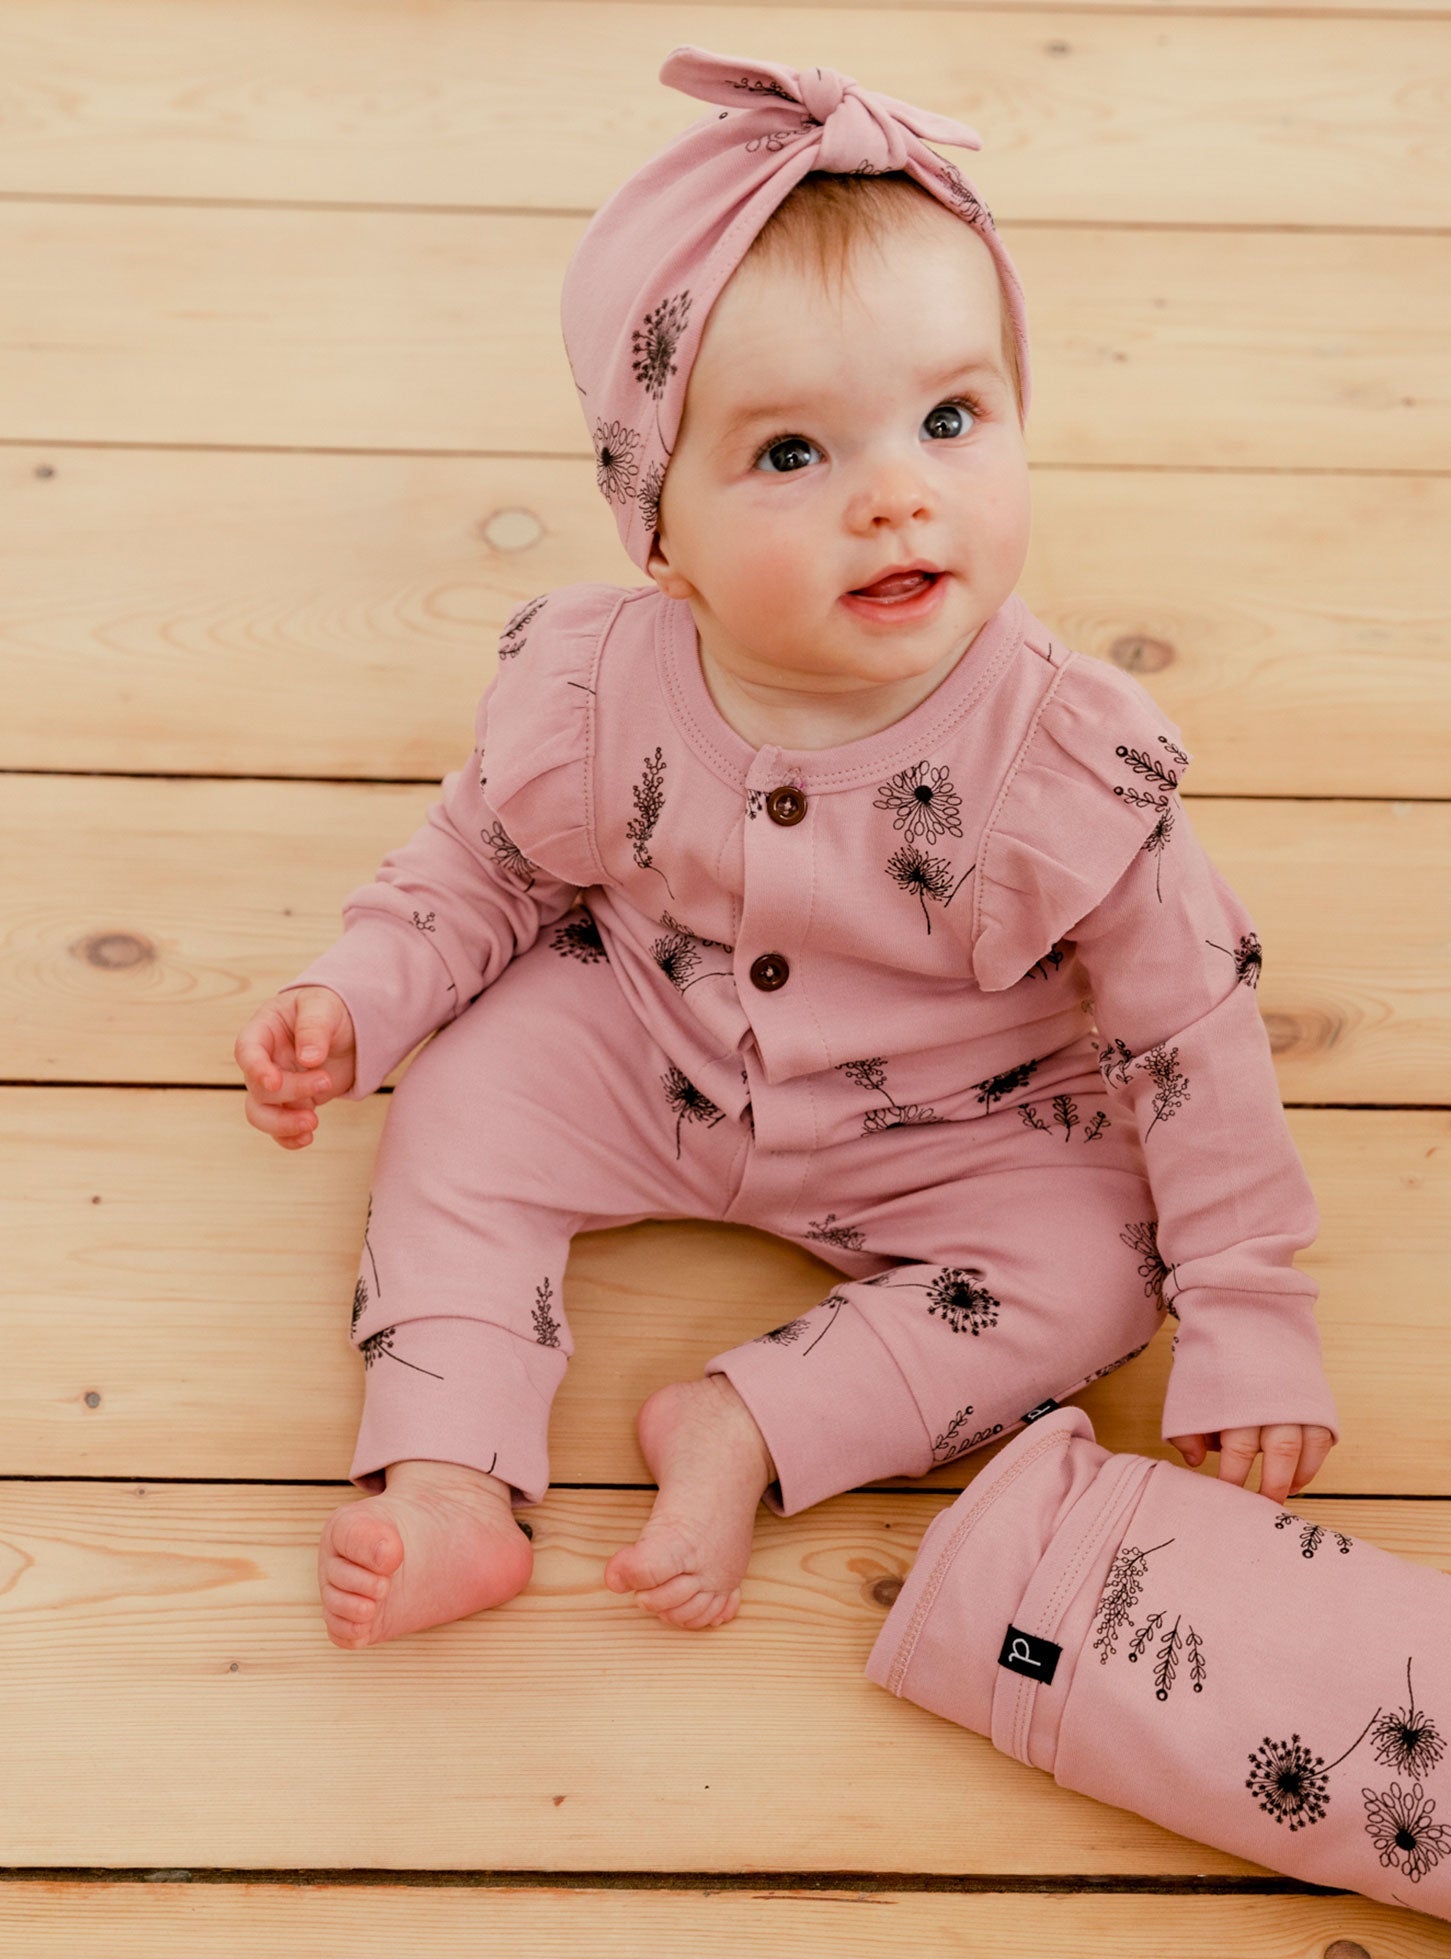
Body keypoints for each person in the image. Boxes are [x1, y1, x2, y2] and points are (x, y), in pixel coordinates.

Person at [231, 46, 1339, 1650]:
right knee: (463, 1104)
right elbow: (475, 873)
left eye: (952, 418)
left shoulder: (1065, 760)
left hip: (964, 1117)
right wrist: (357, 999)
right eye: (795, 456)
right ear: (657, 526)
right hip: (647, 1039)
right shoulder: (598, 687)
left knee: (1102, 1271)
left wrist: (1248, 1315)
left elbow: (1191, 1035)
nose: (897, 500)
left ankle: (752, 1425)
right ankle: (450, 1477)